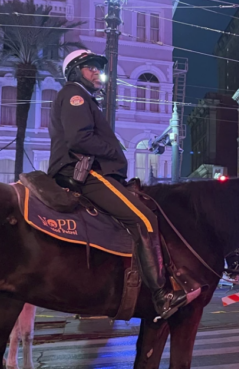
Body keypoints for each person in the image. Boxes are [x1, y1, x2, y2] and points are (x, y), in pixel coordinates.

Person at [47, 50, 186, 319]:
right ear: (76, 72)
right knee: (145, 219)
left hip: (84, 169)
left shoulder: (84, 98)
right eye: (91, 68)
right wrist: (115, 152)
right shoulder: (75, 95)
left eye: (98, 69)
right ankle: (161, 294)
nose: (98, 73)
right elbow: (78, 139)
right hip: (81, 172)